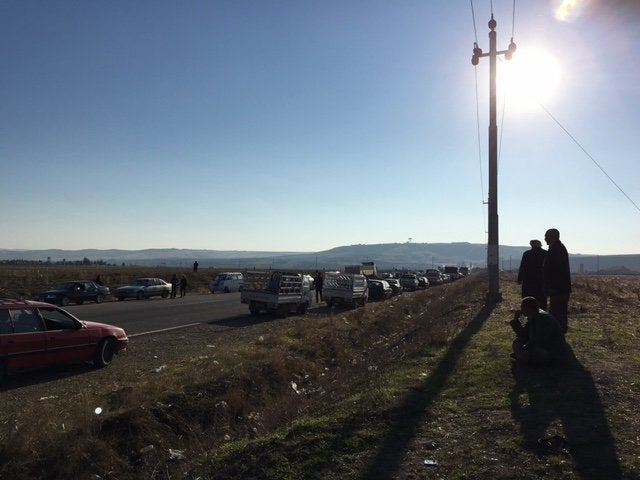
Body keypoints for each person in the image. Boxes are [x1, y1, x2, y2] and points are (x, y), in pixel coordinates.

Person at [510, 296, 568, 367]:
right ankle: (523, 357)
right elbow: (524, 334)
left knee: (536, 353)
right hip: (543, 346)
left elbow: (538, 339)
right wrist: (516, 320)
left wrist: (525, 349)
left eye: (522, 307)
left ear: (528, 308)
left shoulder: (542, 318)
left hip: (552, 350)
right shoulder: (534, 316)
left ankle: (524, 357)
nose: (521, 310)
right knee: (517, 341)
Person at [543, 228, 571, 333]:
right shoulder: (556, 248)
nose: (545, 238)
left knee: (558, 313)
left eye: (546, 236)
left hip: (558, 289)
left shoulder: (557, 249)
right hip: (559, 289)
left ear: (553, 237)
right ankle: (558, 333)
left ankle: (558, 334)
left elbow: (557, 270)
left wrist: (552, 287)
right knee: (558, 313)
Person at [517, 239, 547, 310]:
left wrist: (519, 279)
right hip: (541, 282)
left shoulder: (527, 254)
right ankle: (542, 315)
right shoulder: (546, 253)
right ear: (540, 245)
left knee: (528, 300)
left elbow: (522, 267)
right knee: (541, 300)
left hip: (528, 282)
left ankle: (529, 314)